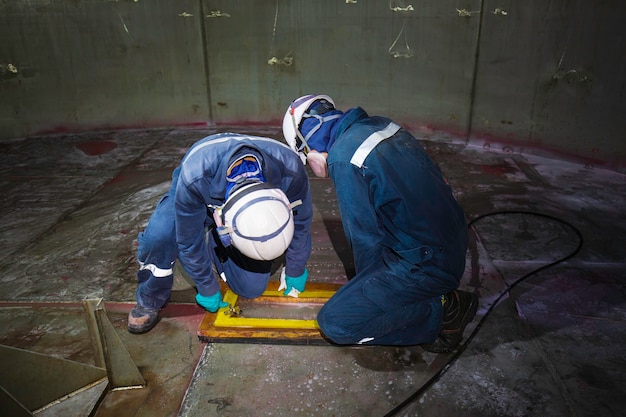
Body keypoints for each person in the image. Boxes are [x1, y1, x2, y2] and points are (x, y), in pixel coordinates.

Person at [282, 94, 478, 352]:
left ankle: (444, 310)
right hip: (452, 241)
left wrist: (364, 293)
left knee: (336, 323)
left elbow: (364, 240)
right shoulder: (382, 125)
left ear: (308, 146)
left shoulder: (345, 158)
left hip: (428, 264)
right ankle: (435, 294)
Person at [128, 132, 313, 334]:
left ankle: (216, 245)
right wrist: (206, 285)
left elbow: (301, 220)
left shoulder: (291, 171)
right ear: (222, 220)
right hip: (198, 187)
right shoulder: (194, 177)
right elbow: (189, 241)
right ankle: (150, 297)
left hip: (231, 196)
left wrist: (296, 268)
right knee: (161, 236)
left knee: (250, 288)